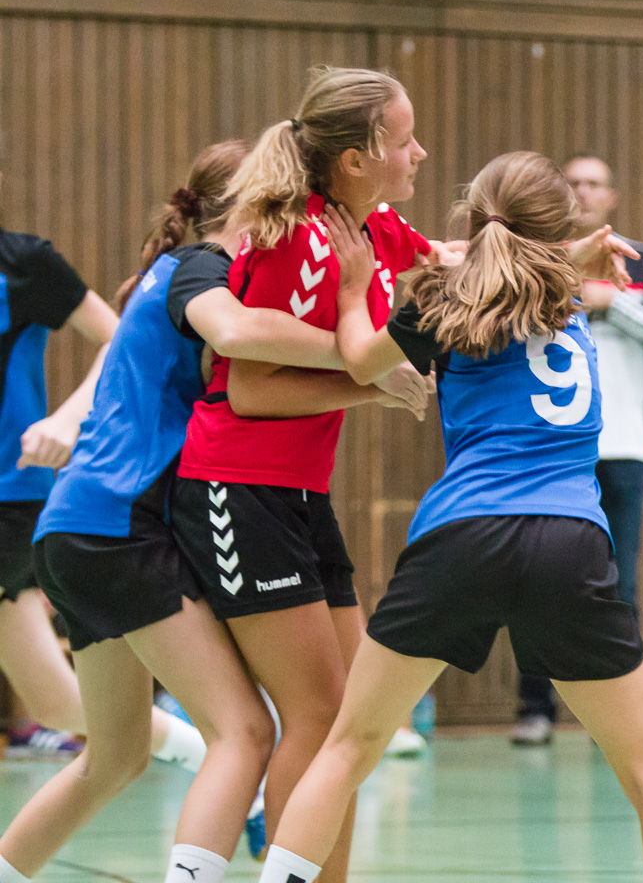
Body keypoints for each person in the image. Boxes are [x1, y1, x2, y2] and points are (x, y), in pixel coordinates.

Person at [253, 150, 643, 883]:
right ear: (560, 229)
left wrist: (354, 290)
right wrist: (579, 255)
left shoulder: (443, 297)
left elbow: (362, 360)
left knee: (347, 749)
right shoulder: (570, 292)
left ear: (473, 217)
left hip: (460, 535)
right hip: (570, 541)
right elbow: (532, 262)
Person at [0, 139, 418, 883]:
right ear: (256, 203)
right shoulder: (202, 272)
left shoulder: (176, 274)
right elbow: (242, 339)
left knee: (114, 758)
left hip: (74, 526)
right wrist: (370, 359)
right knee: (245, 733)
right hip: (119, 527)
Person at [168, 67, 446, 883]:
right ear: (355, 159)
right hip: (236, 488)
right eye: (405, 141)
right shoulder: (297, 238)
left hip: (299, 496)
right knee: (318, 714)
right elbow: (250, 389)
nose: (421, 153)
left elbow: (455, 262)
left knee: (353, 718)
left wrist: (565, 262)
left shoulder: (372, 225)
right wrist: (373, 385)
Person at [0, 153, 204, 767]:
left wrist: (66, 419)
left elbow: (120, 340)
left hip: (9, 497)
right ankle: (207, 751)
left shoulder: (23, 264)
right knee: (55, 701)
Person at [513, 153, 643, 746]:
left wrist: (613, 302)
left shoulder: (637, 261)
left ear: (611, 198)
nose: (584, 192)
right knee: (539, 580)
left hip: (621, 447)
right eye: (573, 182)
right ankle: (536, 710)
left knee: (617, 585)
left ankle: (616, 718)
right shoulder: (531, 260)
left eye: (595, 184)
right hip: (547, 448)